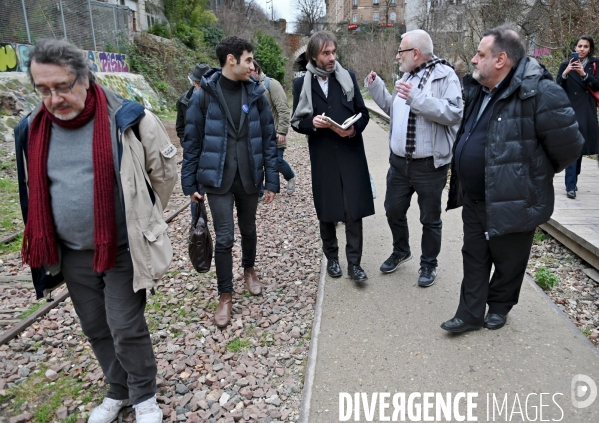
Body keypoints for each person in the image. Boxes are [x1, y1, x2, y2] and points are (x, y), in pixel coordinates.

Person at [14, 39, 177, 422]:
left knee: (125, 325)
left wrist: (142, 221)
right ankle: (117, 390)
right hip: (70, 252)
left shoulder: (128, 118)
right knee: (95, 326)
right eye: (43, 89)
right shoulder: (32, 129)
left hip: (122, 248)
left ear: (85, 77)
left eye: (63, 86)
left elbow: (164, 173)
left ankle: (144, 396)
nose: (53, 98)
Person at [442, 26, 584, 333]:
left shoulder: (541, 92)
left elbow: (569, 146)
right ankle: (469, 314)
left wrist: (530, 175)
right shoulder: (477, 88)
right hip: (475, 196)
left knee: (509, 259)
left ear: (500, 59)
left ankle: (501, 306)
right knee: (474, 256)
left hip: (516, 198)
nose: (473, 59)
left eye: (480, 54)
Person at [181, 36, 279, 328]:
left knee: (249, 229)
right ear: (232, 60)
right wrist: (190, 185)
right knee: (224, 238)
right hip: (217, 178)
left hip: (249, 176)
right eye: (248, 59)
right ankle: (225, 294)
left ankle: (249, 269)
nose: (253, 65)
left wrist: (271, 179)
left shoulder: (257, 94)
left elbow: (269, 140)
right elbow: (192, 141)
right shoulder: (204, 95)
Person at [365, 29, 463, 287]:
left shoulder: (446, 76)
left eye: (401, 51)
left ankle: (429, 264)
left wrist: (417, 98)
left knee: (430, 219)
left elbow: (453, 113)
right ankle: (401, 250)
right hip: (399, 163)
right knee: (392, 210)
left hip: (429, 166)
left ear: (415, 53)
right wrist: (376, 88)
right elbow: (394, 110)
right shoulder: (406, 75)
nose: (397, 56)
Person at [291, 30, 373, 282]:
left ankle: (355, 264)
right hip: (323, 156)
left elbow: (363, 113)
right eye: (326, 53)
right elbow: (297, 122)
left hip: (350, 152)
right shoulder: (300, 83)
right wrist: (312, 123)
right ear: (314, 56)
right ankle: (333, 259)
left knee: (353, 209)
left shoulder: (346, 77)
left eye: (333, 52)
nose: (332, 57)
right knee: (327, 210)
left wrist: (352, 129)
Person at [556, 35, 599, 199]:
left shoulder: (595, 64)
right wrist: (566, 73)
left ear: (590, 49)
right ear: (574, 48)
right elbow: (557, 87)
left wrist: (584, 74)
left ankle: (574, 178)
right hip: (570, 110)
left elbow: (597, 85)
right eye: (579, 46)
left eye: (585, 46)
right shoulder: (564, 65)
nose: (582, 49)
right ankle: (570, 186)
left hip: (586, 110)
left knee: (579, 149)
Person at [251, 60, 297, 195]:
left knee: (277, 161)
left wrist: (282, 131)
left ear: (257, 70)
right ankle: (259, 192)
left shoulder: (271, 84)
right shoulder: (247, 87)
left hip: (274, 133)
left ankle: (290, 177)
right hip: (257, 135)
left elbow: (283, 109)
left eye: (250, 70)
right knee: (257, 163)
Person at [176, 63, 210, 143]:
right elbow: (180, 126)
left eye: (204, 83)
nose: (202, 86)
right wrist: (185, 142)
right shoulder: (183, 100)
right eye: (198, 83)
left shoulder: (218, 98)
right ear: (194, 82)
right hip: (192, 145)